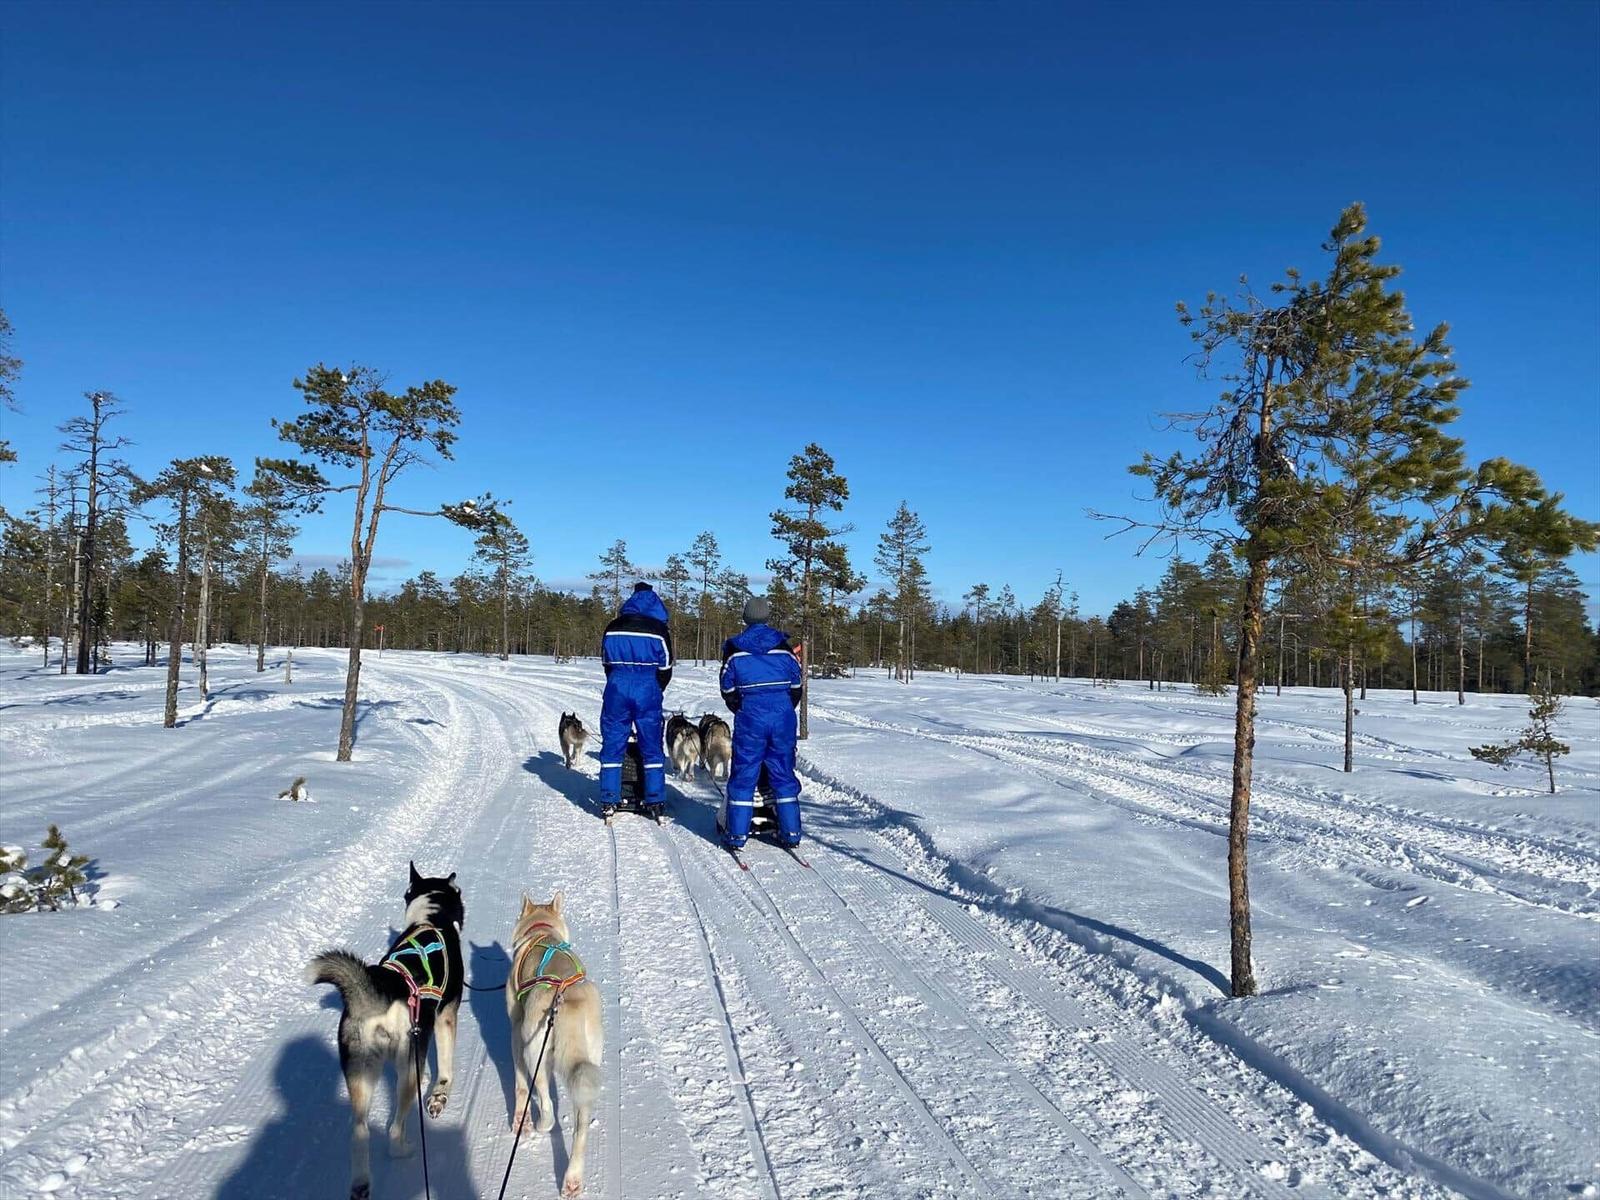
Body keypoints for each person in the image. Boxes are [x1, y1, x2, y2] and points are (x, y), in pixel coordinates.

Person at [718, 595, 803, 848]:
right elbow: (796, 686)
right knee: (783, 773)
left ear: (745, 618)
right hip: (783, 718)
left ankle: (737, 834)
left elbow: (727, 688)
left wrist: (741, 708)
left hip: (751, 719)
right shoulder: (784, 647)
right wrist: (785, 708)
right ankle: (791, 833)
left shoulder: (734, 649)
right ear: (766, 617)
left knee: (744, 774)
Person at [599, 582, 673, 812]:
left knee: (613, 744)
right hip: (647, 688)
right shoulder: (659, 630)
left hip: (617, 687)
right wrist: (655, 687)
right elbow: (666, 666)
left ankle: (609, 797)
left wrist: (616, 682)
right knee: (651, 746)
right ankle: (655, 798)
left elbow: (606, 663)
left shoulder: (613, 627)